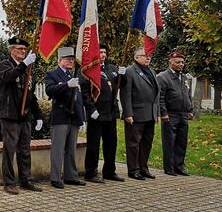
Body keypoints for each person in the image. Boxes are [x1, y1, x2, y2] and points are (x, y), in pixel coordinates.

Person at [0, 37, 43, 195]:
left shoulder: (28, 69)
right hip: (10, 116)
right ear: (11, 50)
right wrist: (24, 65)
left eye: (25, 49)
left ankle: (26, 180)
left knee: (25, 150)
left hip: (25, 116)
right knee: (9, 150)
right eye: (19, 49)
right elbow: (8, 77)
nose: (23, 52)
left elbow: (31, 95)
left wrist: (38, 115)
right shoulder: (5, 65)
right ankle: (9, 182)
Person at [81, 44, 125, 183]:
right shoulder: (89, 69)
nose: (103, 54)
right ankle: (90, 173)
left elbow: (120, 86)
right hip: (97, 113)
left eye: (105, 52)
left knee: (111, 144)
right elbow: (85, 92)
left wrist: (123, 76)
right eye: (100, 52)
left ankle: (109, 171)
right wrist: (91, 109)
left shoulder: (111, 68)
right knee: (94, 145)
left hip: (110, 112)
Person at [45, 47, 86, 189]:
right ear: (59, 60)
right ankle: (55, 178)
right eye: (68, 59)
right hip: (61, 116)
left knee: (71, 149)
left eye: (72, 59)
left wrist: (82, 116)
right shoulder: (52, 74)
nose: (71, 61)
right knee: (58, 148)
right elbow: (50, 90)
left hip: (73, 117)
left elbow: (78, 98)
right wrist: (66, 85)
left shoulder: (71, 75)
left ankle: (71, 176)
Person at [120, 46, 160, 180]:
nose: (148, 57)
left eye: (149, 55)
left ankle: (144, 168)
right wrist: (128, 113)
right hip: (136, 113)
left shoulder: (152, 72)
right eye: (145, 55)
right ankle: (133, 169)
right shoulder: (130, 72)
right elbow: (126, 94)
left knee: (146, 143)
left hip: (150, 114)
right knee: (134, 143)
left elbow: (156, 94)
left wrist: (157, 113)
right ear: (136, 58)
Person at [157, 52, 193, 176]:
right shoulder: (163, 77)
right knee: (169, 142)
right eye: (178, 62)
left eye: (182, 62)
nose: (181, 64)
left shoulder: (184, 77)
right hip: (170, 114)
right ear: (170, 62)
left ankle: (180, 166)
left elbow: (188, 95)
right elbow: (160, 97)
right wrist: (163, 113)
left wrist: (190, 110)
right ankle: (169, 167)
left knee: (182, 141)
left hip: (183, 114)